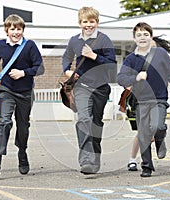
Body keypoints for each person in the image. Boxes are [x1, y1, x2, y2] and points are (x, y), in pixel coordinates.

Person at [117, 22, 170, 177]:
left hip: (159, 98)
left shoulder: (160, 53)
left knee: (158, 126)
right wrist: (136, 77)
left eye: (146, 34)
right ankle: (146, 166)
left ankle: (160, 139)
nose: (142, 37)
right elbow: (120, 78)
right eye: (139, 35)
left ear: (151, 37)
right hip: (141, 101)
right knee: (143, 134)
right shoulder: (131, 59)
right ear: (134, 39)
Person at [0, 14, 44, 176]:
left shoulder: (29, 46)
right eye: (12, 29)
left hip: (25, 93)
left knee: (23, 125)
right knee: (4, 122)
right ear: (7, 30)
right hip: (7, 90)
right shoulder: (0, 45)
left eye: (19, 29)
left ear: (23, 30)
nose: (16, 32)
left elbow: (40, 68)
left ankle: (22, 153)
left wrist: (23, 73)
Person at [62, 7, 116, 175]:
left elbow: (112, 64)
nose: (89, 25)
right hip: (82, 87)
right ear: (80, 23)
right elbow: (66, 57)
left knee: (96, 124)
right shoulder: (74, 41)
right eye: (85, 22)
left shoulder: (104, 40)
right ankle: (86, 159)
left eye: (92, 21)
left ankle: (95, 155)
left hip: (101, 88)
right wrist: (67, 71)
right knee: (84, 119)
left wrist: (94, 56)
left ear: (97, 22)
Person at [127, 36, 170, 171]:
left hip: (157, 100)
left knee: (155, 127)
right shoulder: (137, 60)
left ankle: (158, 141)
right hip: (139, 101)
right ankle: (133, 159)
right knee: (141, 132)